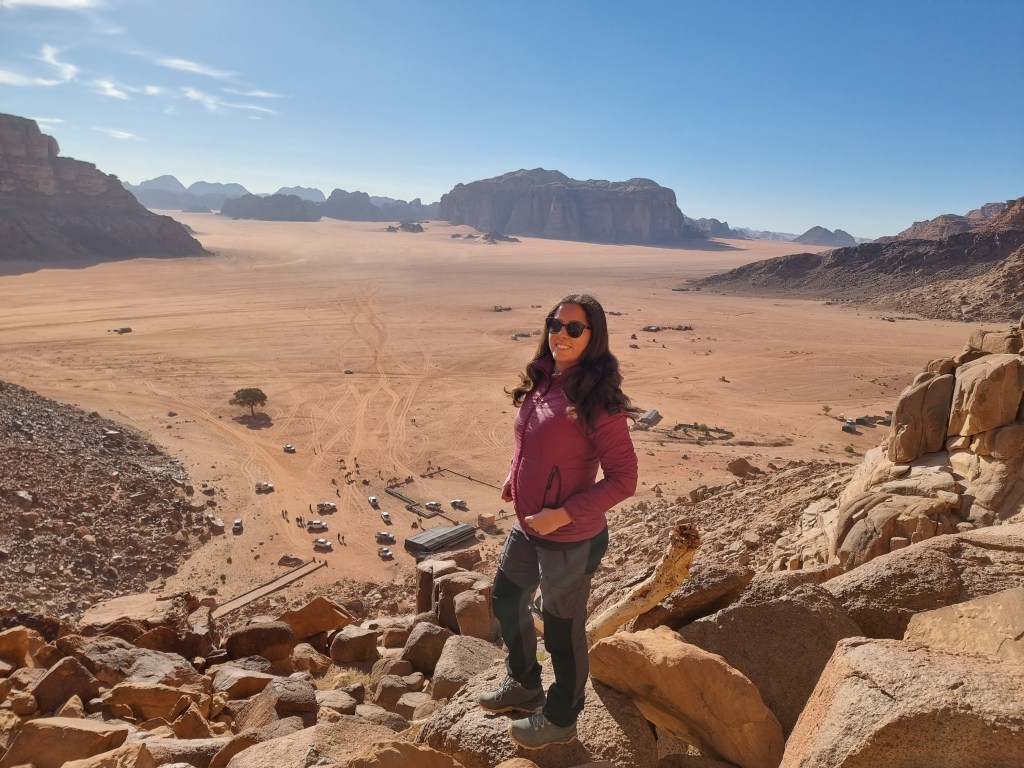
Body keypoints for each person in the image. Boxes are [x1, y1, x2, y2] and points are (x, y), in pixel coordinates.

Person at [478, 293, 638, 749]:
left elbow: (624, 480)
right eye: (555, 324)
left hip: (569, 537)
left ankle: (562, 717)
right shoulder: (545, 379)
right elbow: (530, 443)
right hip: (530, 525)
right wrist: (514, 476)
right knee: (507, 598)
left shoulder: (599, 401)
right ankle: (524, 683)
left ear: (593, 336)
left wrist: (562, 514)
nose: (560, 334)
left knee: (562, 631)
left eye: (574, 328)